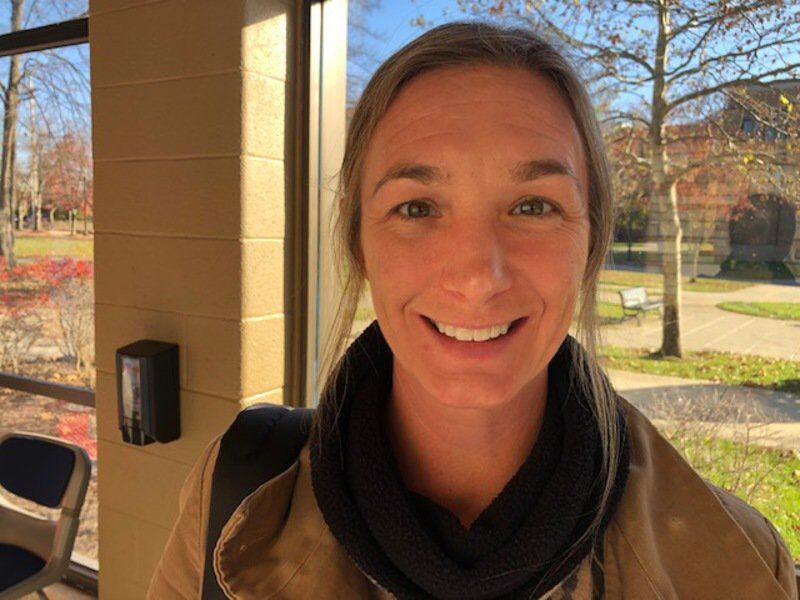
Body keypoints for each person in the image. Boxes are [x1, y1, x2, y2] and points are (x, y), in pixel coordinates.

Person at [147, 21, 797, 599]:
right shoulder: (230, 502)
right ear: (359, 242)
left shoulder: (739, 565)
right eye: (416, 208)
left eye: (534, 206)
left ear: (591, 242)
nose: (478, 277)